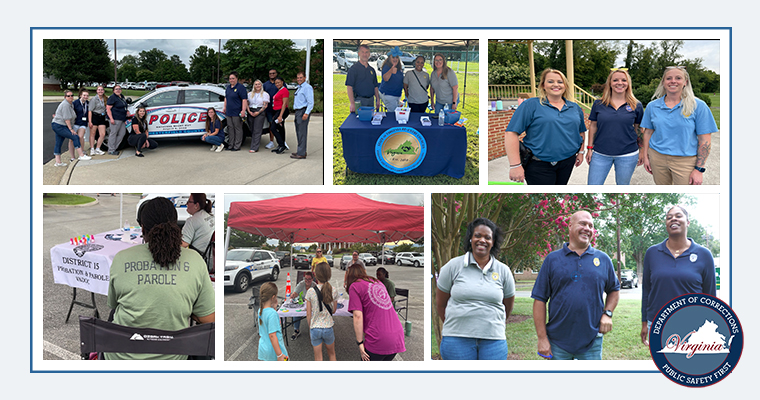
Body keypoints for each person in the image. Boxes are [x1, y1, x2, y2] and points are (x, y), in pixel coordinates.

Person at [106, 197, 215, 360]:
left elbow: (113, 304)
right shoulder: (194, 260)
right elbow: (209, 318)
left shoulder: (121, 258)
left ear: (142, 229)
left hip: (119, 359)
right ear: (176, 226)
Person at [531, 211, 620, 360]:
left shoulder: (603, 259)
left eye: (591, 226)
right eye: (583, 224)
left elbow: (614, 290)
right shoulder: (552, 260)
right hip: (557, 342)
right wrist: (542, 338)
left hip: (592, 341)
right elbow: (539, 299)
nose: (588, 228)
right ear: (570, 226)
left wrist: (608, 313)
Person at [436, 218, 515, 360]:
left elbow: (507, 306)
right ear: (470, 239)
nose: (482, 240)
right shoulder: (452, 266)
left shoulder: (504, 271)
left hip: (493, 340)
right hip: (456, 339)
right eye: (477, 235)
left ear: (493, 241)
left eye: (487, 237)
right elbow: (441, 305)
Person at [640, 205, 716, 345]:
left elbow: (710, 296)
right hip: (658, 324)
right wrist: (644, 322)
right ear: (666, 224)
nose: (673, 219)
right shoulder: (652, 253)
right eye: (669, 217)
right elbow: (646, 291)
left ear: (687, 222)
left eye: (678, 216)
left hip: (693, 327)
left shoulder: (704, 255)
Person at [505, 68, 588, 185]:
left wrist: (581, 152)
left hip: (567, 161)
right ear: (543, 85)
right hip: (538, 164)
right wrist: (515, 165)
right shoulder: (531, 105)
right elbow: (511, 133)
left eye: (560, 82)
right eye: (550, 81)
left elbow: (581, 131)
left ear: (565, 85)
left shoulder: (574, 107)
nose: (556, 85)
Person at [641, 66, 718, 185]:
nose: (673, 81)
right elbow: (647, 132)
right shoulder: (652, 106)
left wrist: (699, 169)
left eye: (678, 78)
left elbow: (705, 140)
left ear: (685, 82)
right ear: (663, 82)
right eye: (669, 78)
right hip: (657, 158)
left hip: (685, 161)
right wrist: (646, 157)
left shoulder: (698, 106)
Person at [586, 69, 644, 185]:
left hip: (627, 154)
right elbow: (593, 126)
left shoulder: (636, 105)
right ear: (610, 83)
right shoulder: (598, 104)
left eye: (623, 80)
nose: (620, 83)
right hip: (600, 153)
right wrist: (589, 148)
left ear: (628, 84)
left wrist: (642, 151)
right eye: (615, 80)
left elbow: (639, 129)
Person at [346, 263, 406, 361]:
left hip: (379, 338)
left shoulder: (354, 286)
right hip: (397, 335)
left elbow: (357, 316)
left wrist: (360, 343)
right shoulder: (377, 282)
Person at [306, 262, 338, 361]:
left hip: (315, 327)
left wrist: (310, 326)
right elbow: (334, 310)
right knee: (332, 354)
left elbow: (308, 314)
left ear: (315, 274)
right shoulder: (334, 290)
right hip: (328, 327)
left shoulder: (310, 291)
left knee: (318, 358)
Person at [51, 90, 91, 166]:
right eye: (68, 96)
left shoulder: (70, 104)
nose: (70, 97)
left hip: (60, 125)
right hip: (59, 125)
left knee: (59, 142)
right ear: (65, 97)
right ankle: (81, 155)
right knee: (75, 136)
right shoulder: (65, 105)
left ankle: (58, 162)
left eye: (72, 95)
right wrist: (71, 129)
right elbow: (67, 118)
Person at [258, 282, 288, 361]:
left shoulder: (260, 311)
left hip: (264, 348)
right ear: (273, 297)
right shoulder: (272, 314)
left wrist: (274, 308)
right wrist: (280, 355)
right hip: (274, 351)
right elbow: (272, 336)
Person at [346, 44, 380, 112]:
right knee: (359, 122)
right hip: (359, 101)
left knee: (370, 120)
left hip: (371, 101)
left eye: (367, 52)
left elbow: (375, 86)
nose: (365, 54)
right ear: (359, 53)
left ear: (369, 54)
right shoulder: (353, 69)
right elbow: (349, 87)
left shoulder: (372, 70)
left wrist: (378, 100)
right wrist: (352, 103)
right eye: (362, 52)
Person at [223, 71, 248, 152]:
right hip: (229, 112)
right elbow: (226, 98)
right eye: (230, 79)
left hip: (237, 112)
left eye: (233, 78)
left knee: (237, 128)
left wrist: (243, 110)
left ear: (236, 78)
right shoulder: (228, 87)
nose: (231, 80)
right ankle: (231, 145)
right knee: (230, 128)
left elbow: (244, 100)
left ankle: (237, 145)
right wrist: (224, 107)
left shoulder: (241, 88)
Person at [291, 71, 314, 159]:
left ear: (305, 78)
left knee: (302, 132)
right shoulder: (300, 87)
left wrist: (306, 113)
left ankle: (301, 153)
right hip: (298, 111)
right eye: (298, 78)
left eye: (301, 77)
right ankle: (301, 150)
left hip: (302, 111)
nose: (299, 79)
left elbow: (310, 102)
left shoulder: (307, 87)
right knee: (299, 132)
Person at [290, 271, 317, 341]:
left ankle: (315, 330)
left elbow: (317, 297)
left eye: (309, 279)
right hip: (301, 304)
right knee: (296, 313)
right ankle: (296, 331)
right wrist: (293, 295)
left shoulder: (315, 285)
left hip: (311, 305)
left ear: (312, 279)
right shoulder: (301, 284)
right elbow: (296, 293)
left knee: (315, 314)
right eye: (306, 279)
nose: (307, 281)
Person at [263, 69, 284, 150]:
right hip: (269, 109)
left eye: (273, 73)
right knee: (271, 124)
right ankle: (271, 141)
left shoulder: (280, 84)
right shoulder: (265, 84)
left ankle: (282, 141)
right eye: (270, 73)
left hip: (279, 108)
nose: (271, 74)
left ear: (276, 74)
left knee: (280, 124)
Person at [246, 79, 269, 153]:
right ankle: (254, 144)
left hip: (260, 111)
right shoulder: (249, 94)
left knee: (257, 130)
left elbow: (265, 105)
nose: (257, 86)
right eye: (256, 84)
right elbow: (246, 103)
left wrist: (258, 112)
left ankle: (254, 147)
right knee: (252, 129)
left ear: (261, 85)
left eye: (259, 84)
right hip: (251, 110)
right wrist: (249, 111)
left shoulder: (265, 94)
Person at [106, 84, 129, 155]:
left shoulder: (121, 97)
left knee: (122, 134)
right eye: (116, 89)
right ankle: (111, 150)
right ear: (113, 91)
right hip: (115, 119)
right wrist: (111, 118)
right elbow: (108, 109)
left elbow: (124, 106)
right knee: (113, 134)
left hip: (122, 119)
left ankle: (114, 147)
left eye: (119, 89)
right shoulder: (112, 98)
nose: (118, 90)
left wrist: (126, 111)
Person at [270, 76, 290, 154]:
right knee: (280, 128)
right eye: (276, 83)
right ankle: (280, 145)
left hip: (281, 111)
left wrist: (280, 116)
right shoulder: (279, 90)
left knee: (273, 128)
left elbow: (284, 103)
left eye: (278, 82)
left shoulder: (284, 90)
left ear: (282, 82)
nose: (277, 84)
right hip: (277, 111)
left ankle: (282, 145)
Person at [88, 85, 108, 155]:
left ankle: (98, 148)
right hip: (95, 116)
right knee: (92, 133)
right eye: (99, 90)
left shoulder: (105, 98)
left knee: (102, 134)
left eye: (101, 90)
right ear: (97, 91)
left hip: (102, 117)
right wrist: (90, 121)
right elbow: (90, 110)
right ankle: (92, 149)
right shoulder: (94, 99)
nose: (100, 91)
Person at [70, 89, 90, 162]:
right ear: (80, 95)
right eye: (84, 95)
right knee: (72, 139)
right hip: (75, 123)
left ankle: (81, 153)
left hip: (83, 123)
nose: (86, 97)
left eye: (87, 95)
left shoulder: (88, 103)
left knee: (81, 136)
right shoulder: (75, 103)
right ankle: (72, 156)